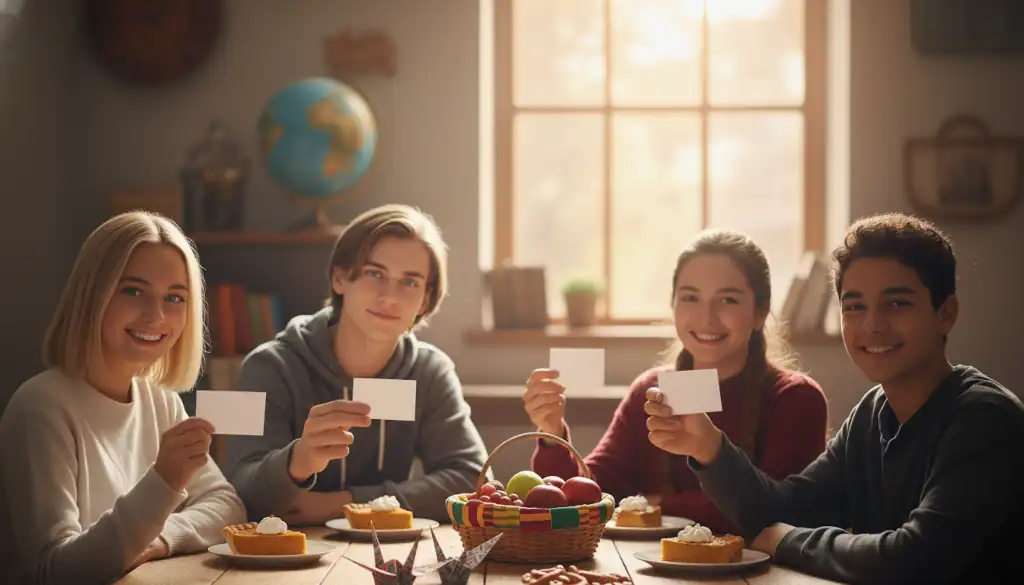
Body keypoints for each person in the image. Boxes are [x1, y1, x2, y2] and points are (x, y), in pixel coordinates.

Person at [645, 213, 1024, 584]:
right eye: (855, 306)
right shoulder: (872, 413)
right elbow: (785, 508)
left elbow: (916, 558)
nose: (873, 324)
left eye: (897, 303)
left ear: (946, 314)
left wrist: (790, 540)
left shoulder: (983, 419)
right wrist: (709, 448)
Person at [524, 229, 828, 534]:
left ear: (760, 313)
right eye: (690, 298)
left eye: (728, 299)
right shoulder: (650, 390)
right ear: (673, 306)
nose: (706, 317)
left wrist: (648, 506)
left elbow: (772, 514)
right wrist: (551, 435)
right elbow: (583, 498)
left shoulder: (795, 399)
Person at [0, 212, 246, 585]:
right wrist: (163, 482)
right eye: (133, 291)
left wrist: (158, 540)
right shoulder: (40, 408)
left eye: (175, 298)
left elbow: (226, 506)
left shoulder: (161, 401)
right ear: (92, 294)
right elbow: (53, 572)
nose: (156, 315)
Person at [226, 204, 488, 524]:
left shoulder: (430, 372)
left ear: (425, 298)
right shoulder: (268, 367)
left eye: (409, 282)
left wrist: (346, 504)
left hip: (390, 556)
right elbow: (241, 491)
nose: (389, 297)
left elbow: (474, 482)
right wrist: (297, 461)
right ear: (339, 278)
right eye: (374, 273)